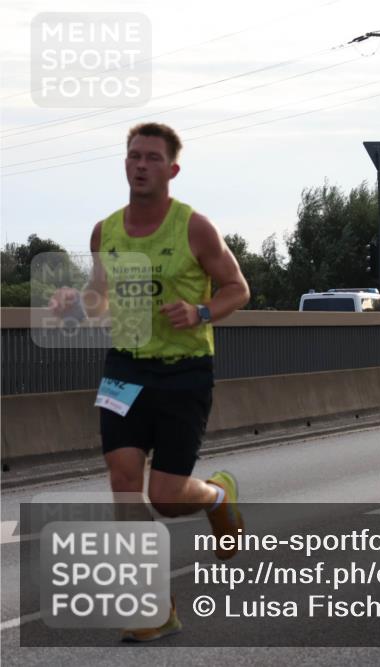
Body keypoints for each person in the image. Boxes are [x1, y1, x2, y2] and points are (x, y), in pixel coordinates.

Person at [49, 123, 250, 641]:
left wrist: (201, 310)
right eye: (134, 156)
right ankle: (155, 607)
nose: (141, 164)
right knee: (122, 479)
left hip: (184, 372)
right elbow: (101, 299)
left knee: (164, 495)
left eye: (153, 158)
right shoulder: (105, 231)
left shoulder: (195, 227)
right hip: (125, 368)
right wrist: (74, 305)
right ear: (125, 164)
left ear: (172, 169)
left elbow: (238, 289)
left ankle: (214, 496)